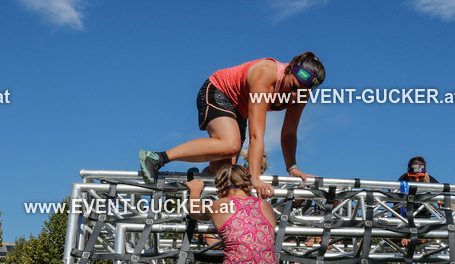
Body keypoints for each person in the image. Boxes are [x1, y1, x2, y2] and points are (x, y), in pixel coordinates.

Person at [140, 53, 327, 198]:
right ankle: (157, 158)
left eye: (301, 92)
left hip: (239, 110)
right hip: (219, 91)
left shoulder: (300, 94)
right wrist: (255, 178)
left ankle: (196, 179)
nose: (294, 95)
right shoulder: (265, 75)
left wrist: (292, 168)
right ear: (289, 70)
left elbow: (289, 133)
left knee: (223, 176)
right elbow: (256, 136)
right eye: (293, 87)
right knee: (230, 145)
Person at [397, 156, 439, 247]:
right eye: (412, 177)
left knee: (430, 237)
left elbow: (447, 201)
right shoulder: (402, 181)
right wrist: (404, 233)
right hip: (405, 217)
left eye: (420, 177)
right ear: (408, 175)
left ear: (425, 174)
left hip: (424, 218)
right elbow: (397, 210)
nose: (417, 181)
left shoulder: (432, 182)